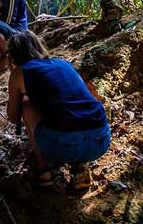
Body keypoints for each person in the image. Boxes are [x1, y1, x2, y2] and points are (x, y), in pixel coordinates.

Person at [6, 30, 110, 190]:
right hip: (101, 139)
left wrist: (15, 77)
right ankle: (80, 165)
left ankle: (43, 171)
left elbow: (13, 117)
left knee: (27, 105)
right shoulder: (64, 64)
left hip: (64, 145)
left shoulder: (20, 73)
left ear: (12, 56)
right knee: (68, 109)